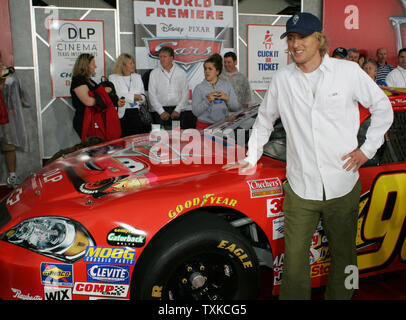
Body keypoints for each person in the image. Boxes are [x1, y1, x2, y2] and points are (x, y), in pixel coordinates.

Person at [223, 12, 393, 300]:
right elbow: (264, 120)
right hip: (301, 188)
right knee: (294, 262)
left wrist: (366, 150)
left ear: (319, 39)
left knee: (345, 257)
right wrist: (252, 158)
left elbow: (383, 108)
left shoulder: (347, 72)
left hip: (343, 184)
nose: (295, 44)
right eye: (290, 38)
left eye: (301, 37)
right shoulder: (282, 79)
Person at [70, 53, 125, 138]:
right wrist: (103, 94)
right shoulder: (78, 81)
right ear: (85, 66)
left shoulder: (90, 81)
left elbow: (98, 96)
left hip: (95, 120)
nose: (95, 66)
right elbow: (89, 101)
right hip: (86, 121)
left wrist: (115, 102)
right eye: (93, 64)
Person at [0, 52, 30, 188]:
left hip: (5, 116)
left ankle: (12, 176)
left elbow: (20, 96)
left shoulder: (7, 72)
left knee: (8, 146)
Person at [148, 46, 195, 129]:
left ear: (171, 58)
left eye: (165, 56)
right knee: (158, 138)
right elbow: (151, 94)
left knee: (176, 137)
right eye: (160, 57)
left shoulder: (181, 73)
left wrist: (178, 110)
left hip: (177, 112)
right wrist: (161, 111)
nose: (162, 59)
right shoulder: (154, 73)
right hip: (159, 112)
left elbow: (185, 93)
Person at [192, 54, 239, 129]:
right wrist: (207, 100)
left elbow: (235, 108)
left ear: (217, 71)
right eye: (205, 69)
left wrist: (227, 98)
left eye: (210, 69)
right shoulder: (199, 88)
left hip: (223, 126)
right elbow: (195, 112)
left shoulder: (227, 85)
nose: (207, 71)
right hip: (204, 127)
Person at [109, 53, 149, 136]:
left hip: (137, 113)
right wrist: (133, 97)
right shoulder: (113, 78)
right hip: (122, 113)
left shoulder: (137, 77)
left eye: (133, 63)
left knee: (137, 139)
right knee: (123, 139)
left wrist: (140, 97)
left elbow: (143, 96)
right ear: (123, 65)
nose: (133, 65)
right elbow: (116, 95)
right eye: (130, 63)